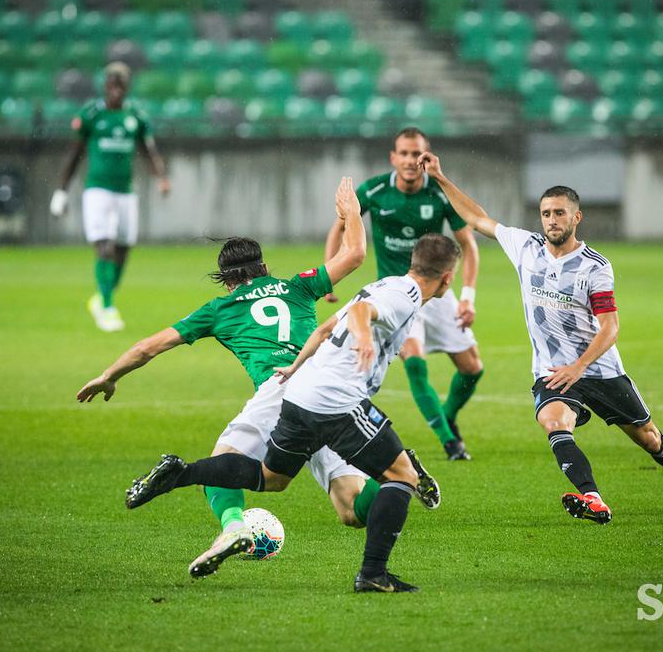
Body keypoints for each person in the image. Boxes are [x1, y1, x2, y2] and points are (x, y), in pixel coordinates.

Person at [77, 178, 438, 579]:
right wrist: (350, 212)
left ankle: (232, 527)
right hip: (330, 388)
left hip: (282, 389)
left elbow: (150, 346)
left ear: (226, 280)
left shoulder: (219, 308)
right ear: (264, 267)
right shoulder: (296, 286)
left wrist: (110, 376)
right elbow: (353, 254)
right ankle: (400, 471)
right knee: (351, 508)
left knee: (223, 458)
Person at [416, 150, 663, 524]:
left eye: (559, 213)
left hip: (598, 368)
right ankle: (593, 499)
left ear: (576, 217)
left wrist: (580, 366)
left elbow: (610, 327)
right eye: (546, 213)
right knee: (553, 422)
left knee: (648, 437)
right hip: (552, 371)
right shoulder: (525, 248)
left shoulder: (595, 267)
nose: (552, 220)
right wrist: (441, 178)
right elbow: (477, 217)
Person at [325, 127, 482, 461]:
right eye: (405, 154)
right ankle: (449, 441)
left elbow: (469, 245)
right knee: (415, 364)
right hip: (396, 294)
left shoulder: (439, 194)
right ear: (393, 157)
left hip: (437, 291)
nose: (411, 160)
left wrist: (467, 295)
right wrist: (329, 272)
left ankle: (447, 415)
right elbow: (341, 225)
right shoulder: (376, 190)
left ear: (426, 157)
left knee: (472, 368)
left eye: (418, 154)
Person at [52, 62, 170, 332]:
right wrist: (61, 190)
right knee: (103, 244)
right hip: (98, 190)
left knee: (123, 247)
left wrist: (161, 177)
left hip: (126, 192)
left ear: (127, 87)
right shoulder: (92, 114)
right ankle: (106, 306)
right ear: (105, 86)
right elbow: (74, 153)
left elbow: (149, 149)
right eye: (112, 84)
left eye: (121, 85)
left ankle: (103, 295)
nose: (116, 90)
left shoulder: (135, 116)